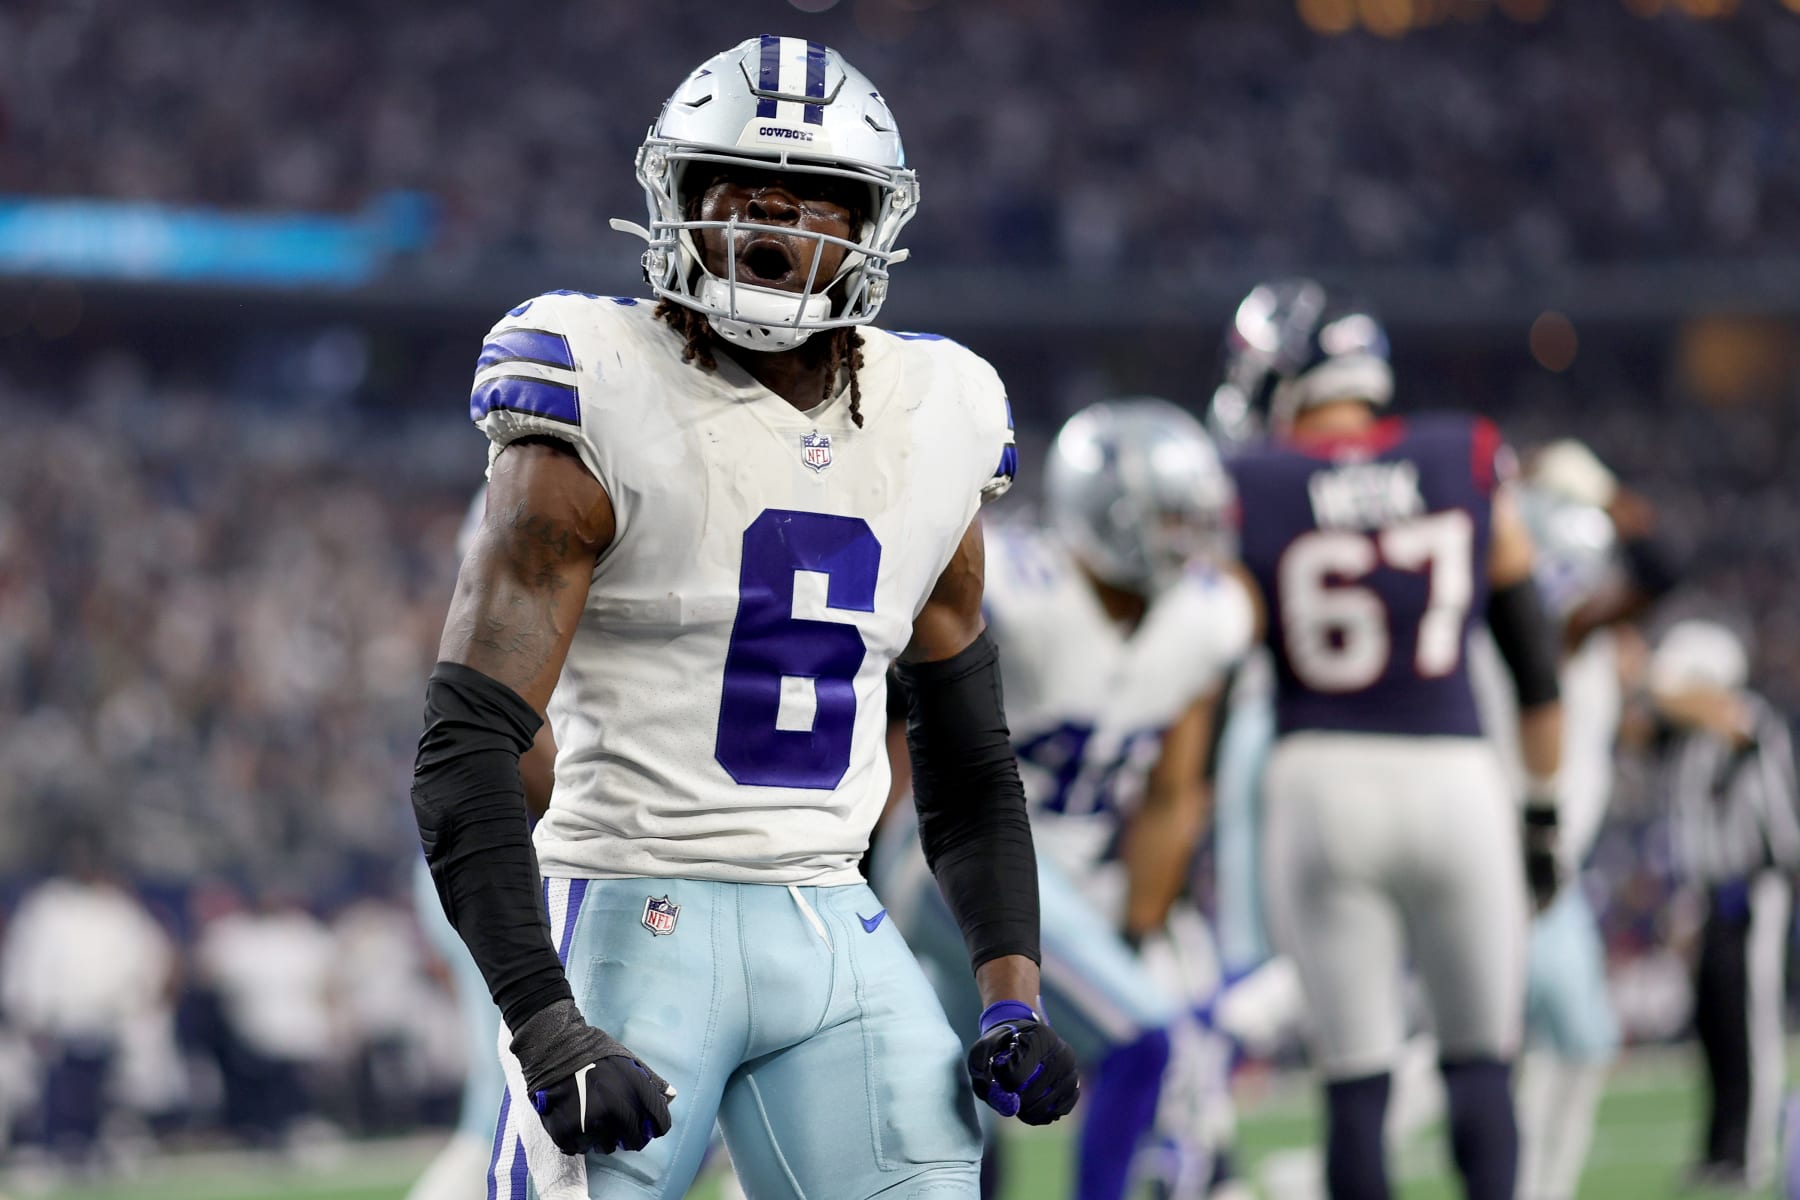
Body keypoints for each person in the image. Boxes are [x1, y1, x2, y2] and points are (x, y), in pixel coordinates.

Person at [409, 36, 1076, 1200]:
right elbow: (462, 750)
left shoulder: (941, 414)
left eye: (815, 196)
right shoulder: (593, 385)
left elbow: (969, 761)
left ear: (870, 225)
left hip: (835, 923)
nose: (772, 222)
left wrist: (1012, 996)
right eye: (737, 188)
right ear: (674, 201)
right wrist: (546, 1027)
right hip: (622, 914)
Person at [1210, 279, 1565, 1200]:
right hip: (1456, 778)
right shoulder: (1464, 454)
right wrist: (1543, 816)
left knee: (1357, 1084)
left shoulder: (1254, 483)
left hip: (1319, 779)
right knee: (1481, 1065)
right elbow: (1534, 658)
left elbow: (1217, 648)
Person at [875, 398, 1255, 1200]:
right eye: (1168, 517)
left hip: (1069, 880)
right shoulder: (1016, 582)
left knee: (960, 1106)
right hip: (954, 864)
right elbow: (890, 711)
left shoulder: (1208, 618)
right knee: (1142, 1037)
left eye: (1194, 518)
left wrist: (1135, 928)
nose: (1186, 539)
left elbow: (1171, 791)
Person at [1474, 441, 1680, 1200]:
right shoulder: (1562, 631)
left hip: (1539, 859)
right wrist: (1605, 492)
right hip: (1527, 859)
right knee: (1503, 1047)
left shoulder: (1562, 637)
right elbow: (1659, 565)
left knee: (1537, 1044)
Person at [1648, 620, 1798, 1191]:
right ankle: (1722, 1147)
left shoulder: (1743, 716)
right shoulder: (1687, 740)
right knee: (1717, 1027)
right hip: (1709, 893)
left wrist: (1664, 684)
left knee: (1752, 1024)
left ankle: (1754, 1151)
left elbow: (1719, 717)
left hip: (1755, 888)